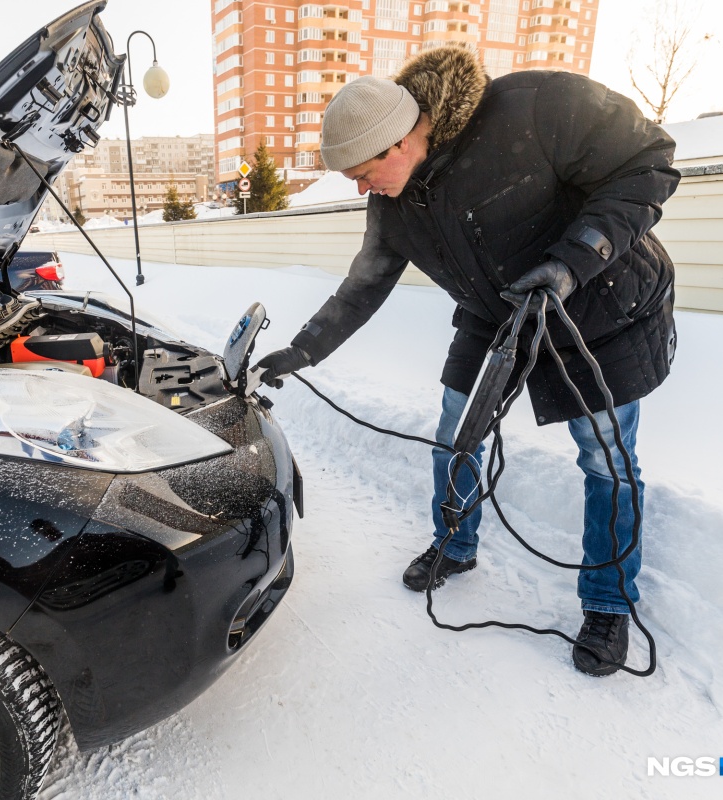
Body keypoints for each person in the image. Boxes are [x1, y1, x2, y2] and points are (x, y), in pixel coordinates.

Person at [253, 45, 679, 677]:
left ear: (398, 141)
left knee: (605, 458)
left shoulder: (535, 108)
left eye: (364, 173)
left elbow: (650, 161)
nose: (363, 189)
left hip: (601, 305)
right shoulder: (393, 201)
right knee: (455, 434)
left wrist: (571, 261)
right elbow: (364, 283)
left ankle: (609, 604)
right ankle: (455, 542)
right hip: (495, 311)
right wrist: (305, 347)